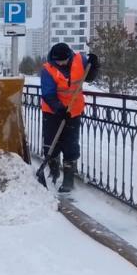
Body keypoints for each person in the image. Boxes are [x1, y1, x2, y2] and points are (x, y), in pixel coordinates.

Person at [40, 43, 99, 193]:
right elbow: (48, 94)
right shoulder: (48, 69)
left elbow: (90, 77)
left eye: (63, 61)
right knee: (51, 143)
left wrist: (94, 64)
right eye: (58, 62)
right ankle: (53, 171)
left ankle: (68, 180)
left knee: (71, 144)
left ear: (69, 56)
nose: (61, 64)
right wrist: (60, 109)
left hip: (74, 111)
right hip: (53, 112)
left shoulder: (80, 60)